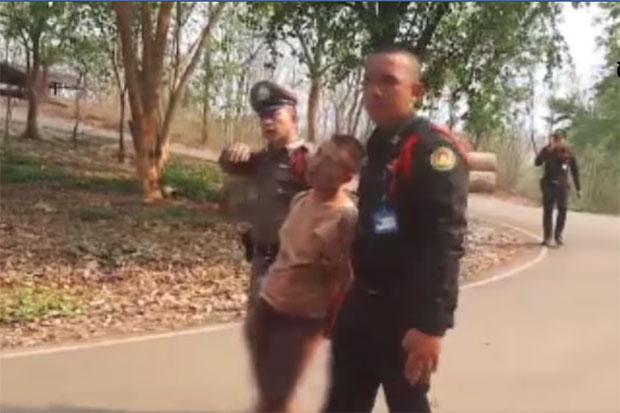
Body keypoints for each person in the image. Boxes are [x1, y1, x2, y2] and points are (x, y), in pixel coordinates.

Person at [323, 47, 469, 413]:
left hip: (405, 314)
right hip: (363, 303)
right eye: (368, 82)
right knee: (342, 403)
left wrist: (431, 326)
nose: (375, 91)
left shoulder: (432, 150)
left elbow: (445, 242)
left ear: (417, 91)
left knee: (407, 405)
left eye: (389, 82)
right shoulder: (379, 144)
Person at [245, 134, 364, 413]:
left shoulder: (345, 217)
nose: (316, 163)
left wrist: (329, 323)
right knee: (270, 395)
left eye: (330, 162)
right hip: (268, 304)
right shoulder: (301, 199)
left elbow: (343, 278)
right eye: (319, 153)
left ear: (346, 177)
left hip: (301, 318)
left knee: (276, 398)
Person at [218, 81, 311, 312]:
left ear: (293, 118)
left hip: (294, 264)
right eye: (263, 117)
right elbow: (228, 165)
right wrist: (231, 151)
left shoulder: (308, 159)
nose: (267, 122)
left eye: (274, 115)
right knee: (260, 325)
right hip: (261, 258)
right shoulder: (262, 160)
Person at [535, 130, 581, 247]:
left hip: (562, 186)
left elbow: (575, 171)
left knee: (563, 210)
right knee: (548, 211)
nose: (557, 141)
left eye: (559, 139)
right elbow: (537, 162)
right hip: (548, 184)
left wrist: (578, 188)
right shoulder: (547, 150)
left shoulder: (569, 153)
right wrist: (547, 151)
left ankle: (558, 235)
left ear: (565, 140)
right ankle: (547, 237)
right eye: (555, 139)